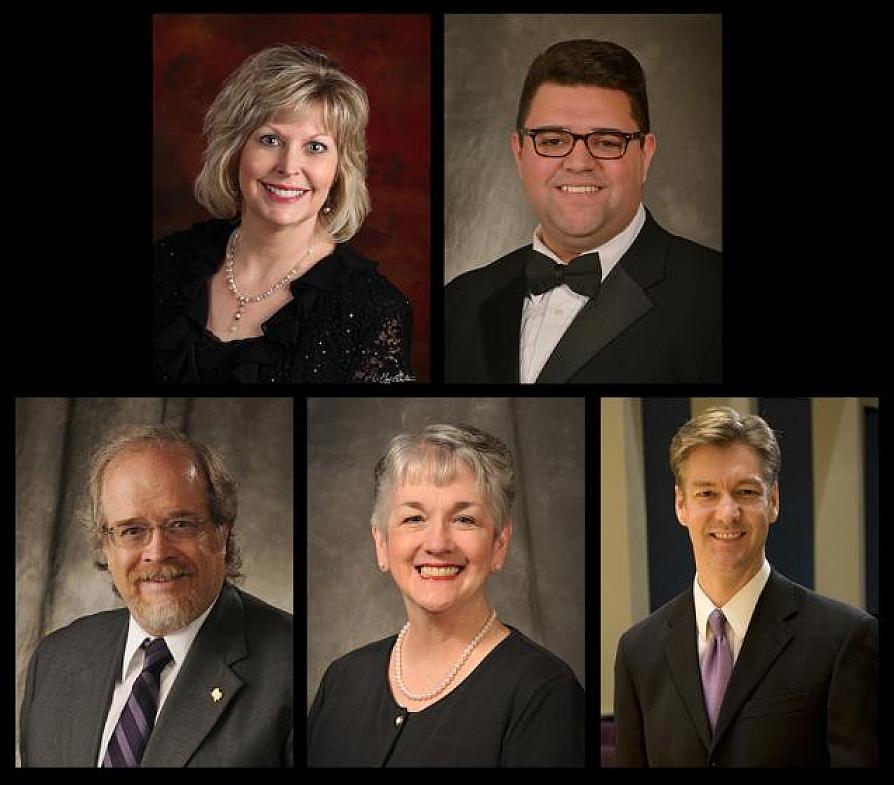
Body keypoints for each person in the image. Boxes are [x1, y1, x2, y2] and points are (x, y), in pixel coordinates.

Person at [613, 407, 877, 767]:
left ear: (774, 501)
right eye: (706, 493)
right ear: (681, 505)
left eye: (746, 491)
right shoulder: (638, 651)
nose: (727, 513)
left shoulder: (844, 638)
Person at [445, 39, 721, 383]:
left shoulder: (713, 296)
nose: (578, 163)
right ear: (519, 154)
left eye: (606, 141)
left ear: (645, 155)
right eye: (552, 141)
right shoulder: (460, 302)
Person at [307, 424, 584, 766]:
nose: (437, 543)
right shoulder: (342, 680)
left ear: (499, 543)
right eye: (414, 518)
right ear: (381, 543)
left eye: (464, 519)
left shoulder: (544, 692)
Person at [19, 426, 293, 767]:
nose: (157, 552)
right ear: (105, 545)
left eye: (180, 525)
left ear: (222, 532)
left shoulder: (291, 668)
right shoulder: (55, 661)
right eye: (132, 531)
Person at [154, 44, 414, 383]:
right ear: (235, 150)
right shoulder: (166, 261)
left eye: (316, 147)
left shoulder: (374, 311)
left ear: (340, 169)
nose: (289, 167)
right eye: (270, 140)